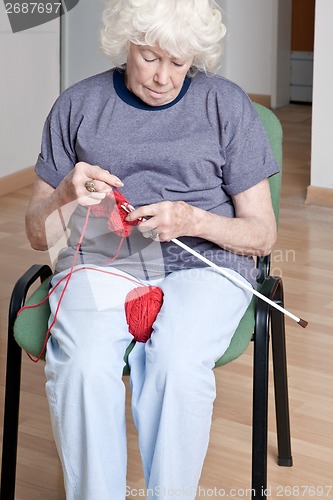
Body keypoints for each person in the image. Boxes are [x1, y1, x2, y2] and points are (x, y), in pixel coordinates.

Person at [25, 0, 279, 498]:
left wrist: (192, 219)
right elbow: (37, 234)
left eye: (179, 62)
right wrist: (64, 194)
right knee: (82, 365)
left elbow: (262, 235)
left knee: (176, 362)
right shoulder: (78, 104)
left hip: (204, 261)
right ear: (126, 45)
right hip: (104, 257)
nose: (163, 77)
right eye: (150, 57)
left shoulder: (225, 104)